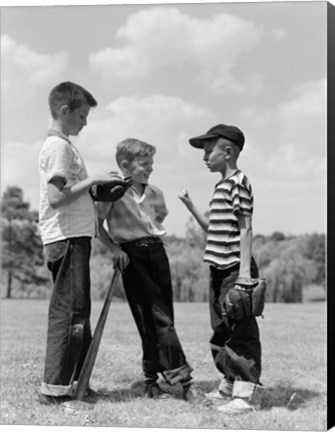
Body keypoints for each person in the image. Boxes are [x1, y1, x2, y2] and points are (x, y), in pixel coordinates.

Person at [96, 138, 204, 403]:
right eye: (145, 164)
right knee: (157, 318)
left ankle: (150, 381)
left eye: (151, 164)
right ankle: (183, 382)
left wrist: (148, 238)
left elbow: (159, 217)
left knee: (161, 315)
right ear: (125, 165)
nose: (150, 169)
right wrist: (116, 249)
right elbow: (98, 227)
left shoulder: (155, 193)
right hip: (132, 257)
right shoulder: (113, 191)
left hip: (157, 252)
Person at [38, 81, 124, 405]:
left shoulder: (62, 147)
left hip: (73, 238)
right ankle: (56, 389)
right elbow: (57, 197)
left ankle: (78, 382)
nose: (85, 123)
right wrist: (94, 179)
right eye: (83, 116)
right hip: (68, 238)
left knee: (77, 312)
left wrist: (102, 190)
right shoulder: (59, 148)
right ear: (65, 111)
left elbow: (71, 193)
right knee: (70, 314)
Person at [178, 124, 263, 414]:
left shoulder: (238, 182)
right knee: (220, 330)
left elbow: (246, 228)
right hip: (217, 269)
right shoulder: (220, 186)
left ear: (227, 152)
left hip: (233, 269)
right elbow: (212, 229)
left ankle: (247, 395)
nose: (204, 157)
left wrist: (243, 275)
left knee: (241, 331)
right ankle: (228, 385)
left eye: (207, 151)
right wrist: (190, 206)